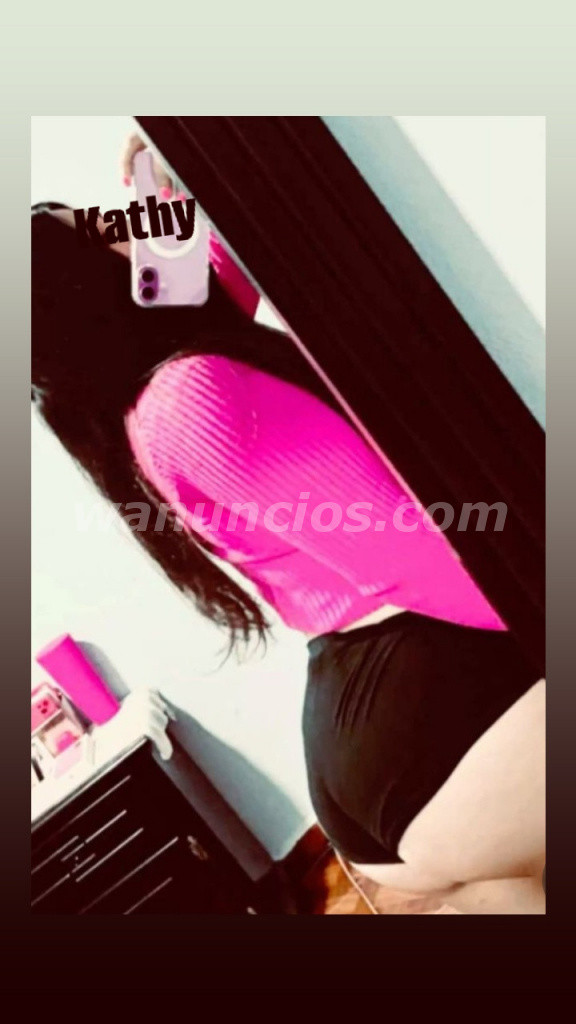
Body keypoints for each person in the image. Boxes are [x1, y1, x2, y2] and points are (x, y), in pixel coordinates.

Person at [31, 132, 545, 913]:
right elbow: (422, 557)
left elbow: (201, 266)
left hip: (398, 716)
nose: (121, 228)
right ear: (82, 292)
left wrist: (143, 183)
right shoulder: (187, 397)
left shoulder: (178, 370)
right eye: (99, 230)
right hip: (417, 735)